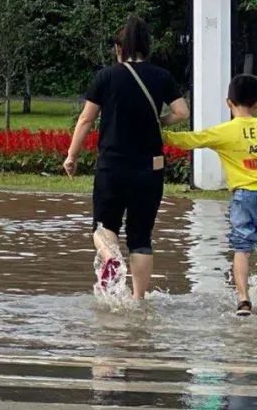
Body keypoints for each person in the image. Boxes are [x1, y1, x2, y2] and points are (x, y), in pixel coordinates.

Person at [63, 16, 189, 299]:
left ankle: (110, 256)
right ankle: (138, 300)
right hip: (149, 169)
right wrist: (159, 121)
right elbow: (182, 112)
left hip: (112, 166)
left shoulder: (106, 77)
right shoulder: (161, 77)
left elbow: (86, 119)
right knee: (141, 237)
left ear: (119, 48)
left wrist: (72, 156)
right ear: (148, 47)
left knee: (103, 227)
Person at [163, 74, 257, 316]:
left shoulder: (225, 132)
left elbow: (191, 140)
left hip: (243, 197)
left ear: (229, 103)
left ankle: (244, 299)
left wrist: (159, 132)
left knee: (242, 247)